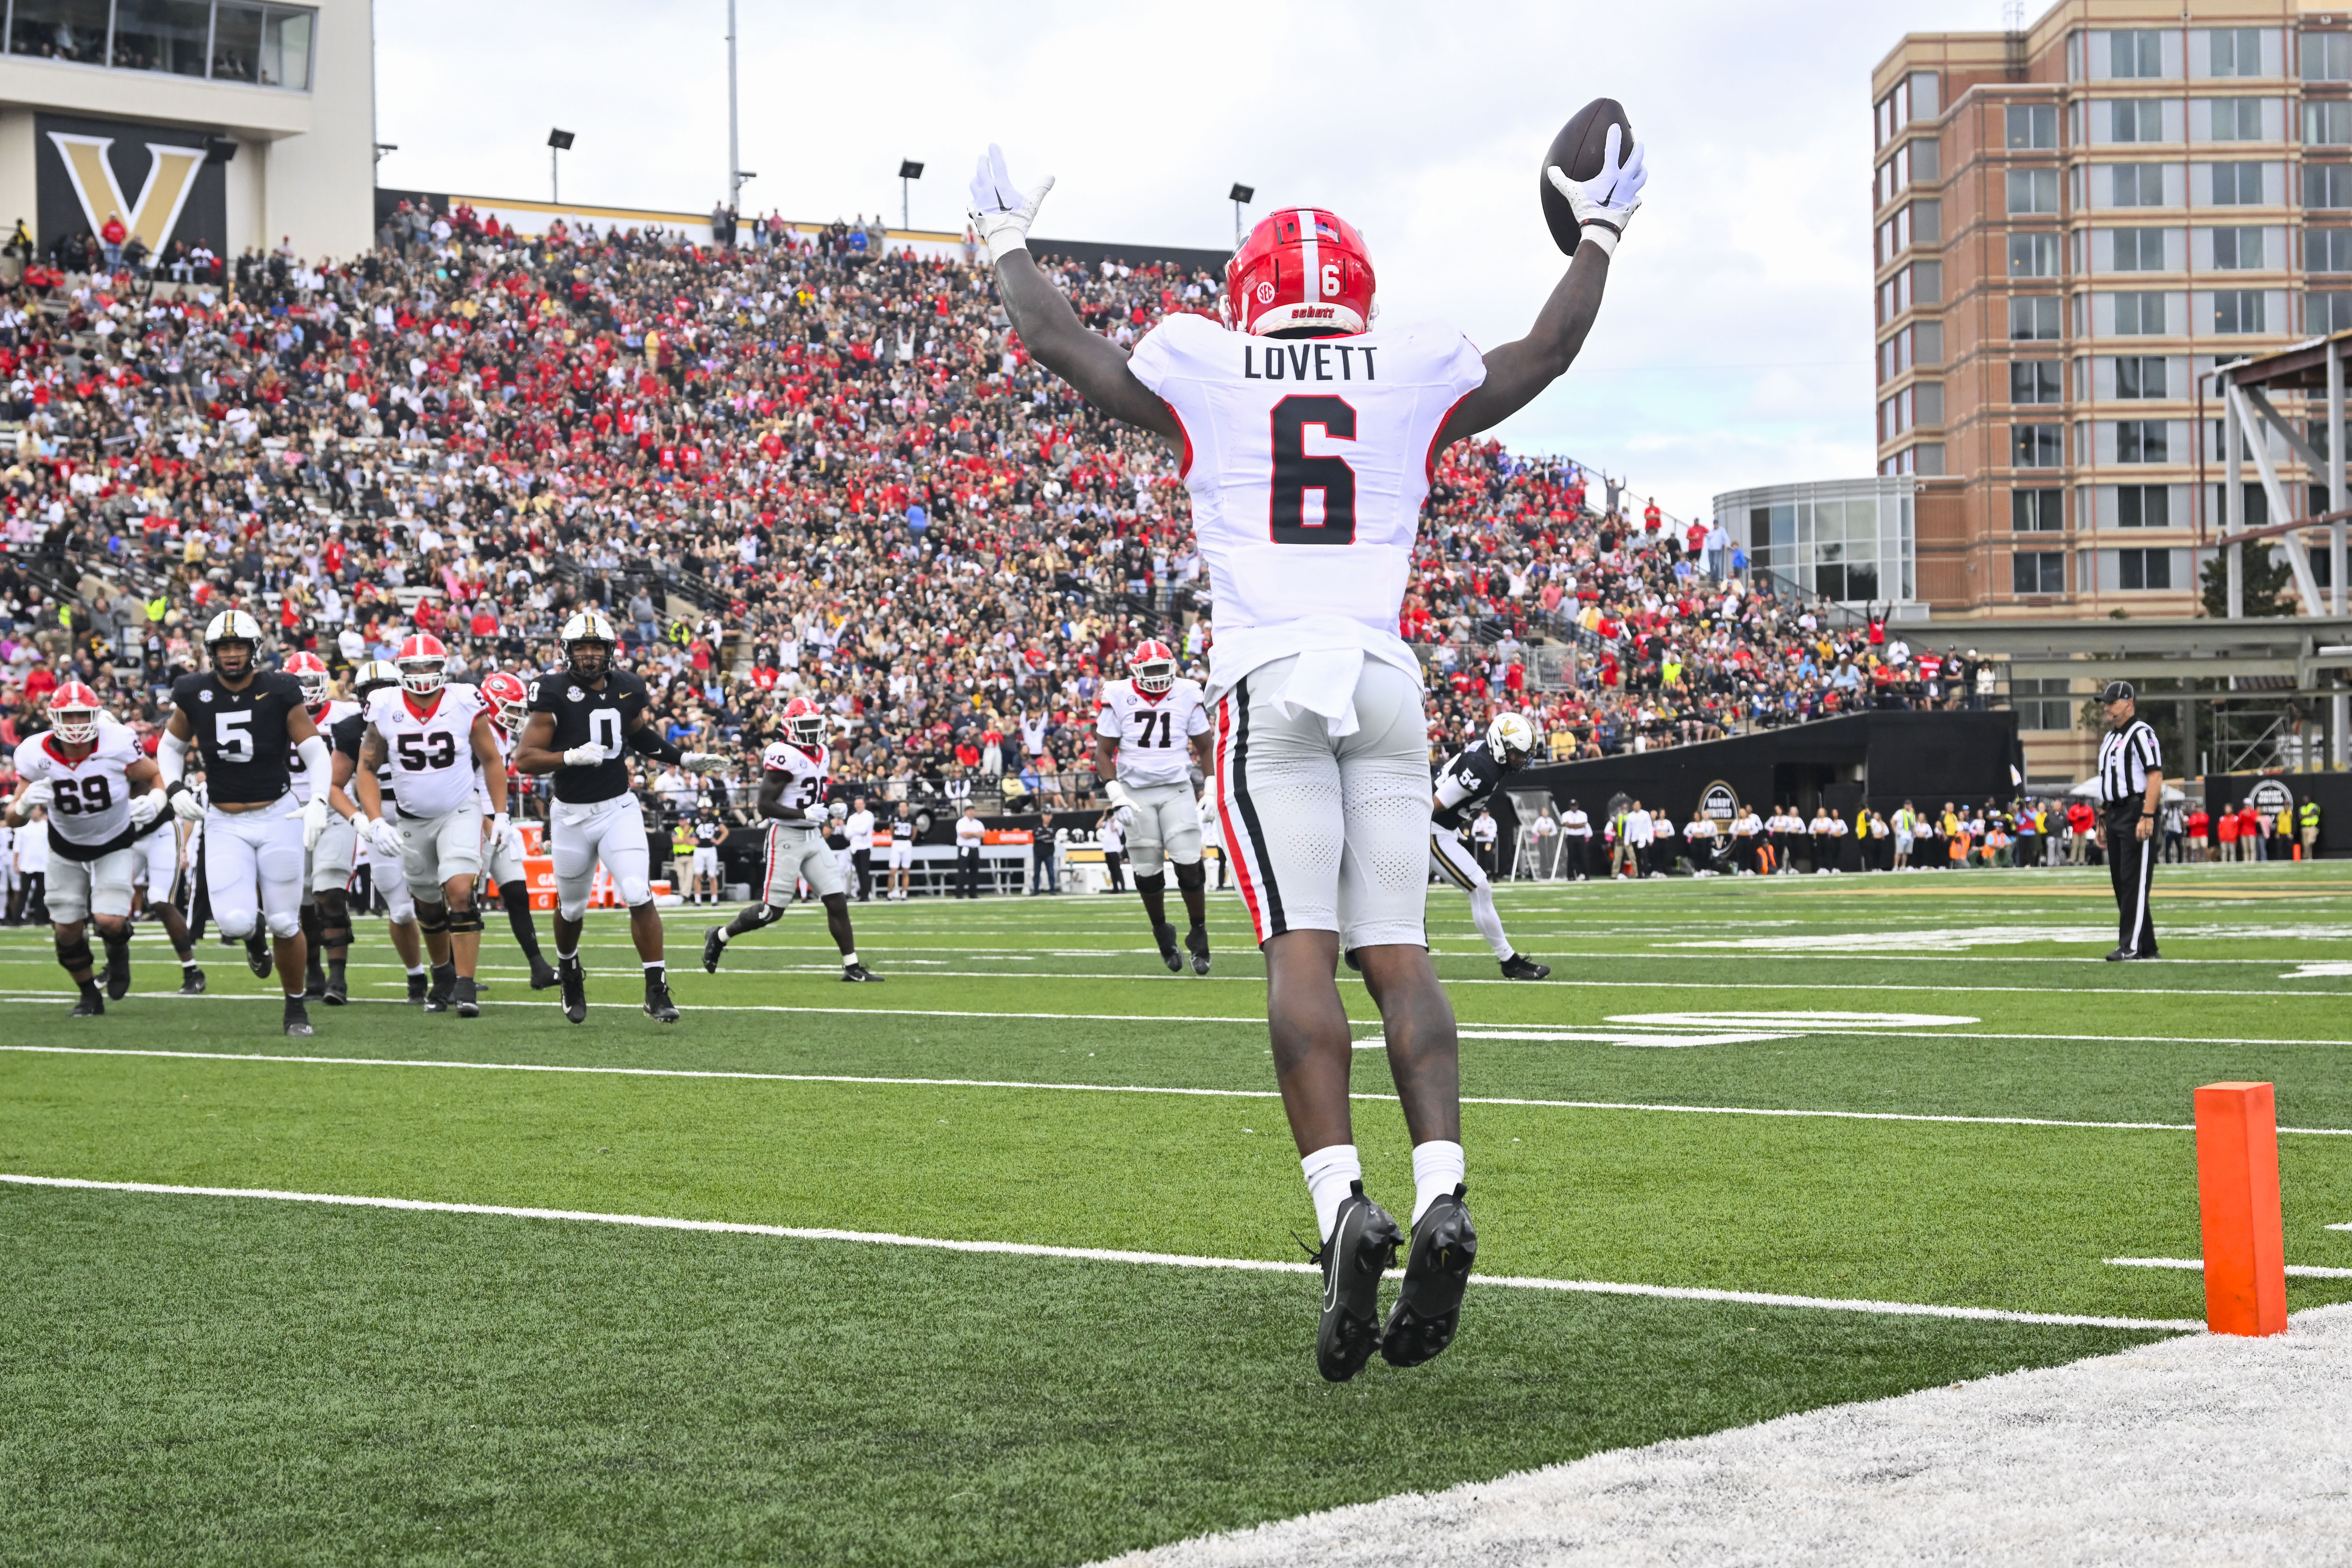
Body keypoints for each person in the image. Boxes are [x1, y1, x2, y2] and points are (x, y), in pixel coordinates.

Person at [972, 113, 1640, 1380]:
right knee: (1401, 953)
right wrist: (1599, 224)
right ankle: (1442, 1185)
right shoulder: (1408, 366)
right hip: (1386, 682)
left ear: (1249, 295)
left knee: (1299, 949)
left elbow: (1059, 344)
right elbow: (1546, 349)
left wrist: (1005, 234)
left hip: (1269, 677)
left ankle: (1341, 1206)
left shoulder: (1204, 364)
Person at [512, 611, 728, 1024]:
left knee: (636, 891)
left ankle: (656, 989)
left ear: (610, 652)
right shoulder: (551, 691)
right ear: (568, 651)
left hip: (618, 807)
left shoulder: (628, 686)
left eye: (597, 647)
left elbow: (638, 735)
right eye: (582, 648)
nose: (590, 655)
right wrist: (569, 757)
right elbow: (525, 758)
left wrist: (684, 758)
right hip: (571, 815)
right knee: (572, 908)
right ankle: (570, 968)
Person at [157, 610, 328, 1038]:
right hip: (224, 819)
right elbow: (170, 746)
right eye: (223, 648)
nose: (232, 655)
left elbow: (314, 750)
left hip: (278, 815)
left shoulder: (280, 688)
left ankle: (295, 1009)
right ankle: (254, 939)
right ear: (211, 653)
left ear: (255, 649)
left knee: (287, 922)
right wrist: (175, 788)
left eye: (239, 647)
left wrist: (320, 799)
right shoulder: (194, 691)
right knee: (233, 923)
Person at [348, 634, 509, 1018]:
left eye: (430, 666)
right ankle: (442, 976)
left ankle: (466, 986)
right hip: (411, 818)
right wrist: (374, 821)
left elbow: (491, 758)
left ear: (443, 667)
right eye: (414, 667)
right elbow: (367, 768)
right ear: (401, 671)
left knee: (458, 891)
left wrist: (500, 812)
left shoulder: (463, 699)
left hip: (459, 808)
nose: (423, 674)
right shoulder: (384, 705)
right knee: (427, 905)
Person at [6, 684, 170, 1013]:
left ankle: (118, 953)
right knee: (67, 929)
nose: (77, 721)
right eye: (69, 715)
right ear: (53, 717)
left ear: (98, 716)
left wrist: (156, 800)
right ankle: (89, 994)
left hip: (113, 839)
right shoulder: (33, 751)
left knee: (109, 920)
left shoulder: (118, 742)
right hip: (65, 845)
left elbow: (156, 776)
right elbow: (12, 818)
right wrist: (22, 808)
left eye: (83, 714)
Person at [704, 697, 880, 981]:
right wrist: (805, 812)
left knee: (837, 901)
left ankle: (852, 967)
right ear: (790, 727)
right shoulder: (782, 753)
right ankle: (720, 936)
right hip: (786, 835)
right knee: (770, 913)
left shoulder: (822, 752)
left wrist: (831, 806)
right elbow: (765, 805)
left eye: (814, 724)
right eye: (805, 725)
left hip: (812, 836)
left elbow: (810, 792)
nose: (812, 731)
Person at [1094, 639, 1213, 974]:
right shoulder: (1118, 695)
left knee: (1188, 861)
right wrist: (1116, 794)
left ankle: (1199, 932)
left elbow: (1205, 745)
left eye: (1164, 669)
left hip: (1176, 786)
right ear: (1136, 671)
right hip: (1135, 790)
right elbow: (1103, 752)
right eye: (1153, 670)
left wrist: (1211, 786)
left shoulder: (1188, 692)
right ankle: (1162, 930)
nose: (1159, 676)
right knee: (1146, 869)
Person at [321, 659, 432, 1003]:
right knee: (400, 910)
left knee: (437, 899)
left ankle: (453, 971)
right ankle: (416, 977)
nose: (380, 697)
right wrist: (361, 819)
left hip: (422, 816)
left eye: (386, 689)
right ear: (360, 695)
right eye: (372, 691)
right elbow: (334, 785)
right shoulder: (353, 729)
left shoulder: (423, 720)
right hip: (380, 816)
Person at [1429, 713, 1549, 980]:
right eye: (1518, 754)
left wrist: (1454, 821)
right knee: (1480, 887)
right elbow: (1434, 803)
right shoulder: (1483, 768)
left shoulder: (1485, 754)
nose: (1522, 760)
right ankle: (1510, 961)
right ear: (1501, 745)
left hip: (1441, 827)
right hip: (1430, 829)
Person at [476, 669, 558, 990]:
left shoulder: (503, 733)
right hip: (474, 819)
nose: (516, 716)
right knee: (466, 898)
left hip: (497, 819)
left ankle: (538, 966)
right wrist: (487, 819)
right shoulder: (477, 730)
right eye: (509, 708)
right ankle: (453, 973)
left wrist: (500, 817)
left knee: (516, 892)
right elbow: (465, 785)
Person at [283, 650, 358, 1000]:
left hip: (332, 809)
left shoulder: (346, 713)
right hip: (288, 811)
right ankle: (312, 968)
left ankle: (337, 977)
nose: (307, 690)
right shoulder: (273, 713)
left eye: (311, 682)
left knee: (329, 890)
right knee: (299, 898)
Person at [2091, 680, 2162, 961]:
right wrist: (2103, 818)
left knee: (2134, 881)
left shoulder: (2142, 733)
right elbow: (2110, 781)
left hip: (2136, 810)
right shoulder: (2111, 738)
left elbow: (2155, 775)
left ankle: (2130, 945)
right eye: (2106, 702)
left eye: (2113, 702)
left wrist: (2147, 814)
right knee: (2122, 882)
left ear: (2129, 703)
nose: (2107, 707)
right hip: (2116, 812)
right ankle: (2147, 946)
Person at [692, 810, 729, 905]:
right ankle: (698, 900)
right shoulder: (695, 818)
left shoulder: (714, 819)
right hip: (699, 850)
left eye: (706, 808)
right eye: (703, 808)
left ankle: (714, 900)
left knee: (712, 875)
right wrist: (690, 841)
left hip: (711, 849)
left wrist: (718, 842)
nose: (705, 810)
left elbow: (725, 831)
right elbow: (685, 832)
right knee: (698, 875)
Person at [845, 796, 876, 902]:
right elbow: (847, 834)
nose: (858, 806)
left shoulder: (869, 816)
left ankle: (866, 895)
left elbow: (864, 830)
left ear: (864, 805)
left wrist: (855, 831)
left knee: (864, 871)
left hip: (865, 847)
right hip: (854, 848)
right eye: (857, 804)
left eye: (860, 804)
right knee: (859, 872)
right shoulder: (852, 818)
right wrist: (857, 832)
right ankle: (862, 894)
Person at [954, 803, 985, 897]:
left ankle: (973, 893)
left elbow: (983, 835)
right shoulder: (961, 823)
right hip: (965, 849)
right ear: (966, 812)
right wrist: (976, 835)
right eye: (969, 810)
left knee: (975, 872)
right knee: (962, 872)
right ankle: (959, 893)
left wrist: (971, 834)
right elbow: (964, 835)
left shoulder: (978, 823)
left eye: (973, 810)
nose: (971, 812)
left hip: (975, 850)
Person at [887, 802, 916, 900]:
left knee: (906, 870)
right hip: (897, 843)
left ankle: (904, 893)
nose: (903, 809)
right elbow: (891, 830)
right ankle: (890, 894)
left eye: (904, 807)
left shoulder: (912, 818)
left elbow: (915, 831)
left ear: (908, 808)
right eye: (901, 807)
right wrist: (895, 839)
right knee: (893, 871)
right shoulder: (894, 817)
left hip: (907, 844)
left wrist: (910, 840)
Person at [1560, 798, 1591, 881]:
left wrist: (1573, 825)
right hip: (1571, 837)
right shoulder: (1565, 815)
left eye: (1575, 806)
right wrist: (1577, 826)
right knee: (1571, 856)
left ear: (1578, 806)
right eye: (1572, 806)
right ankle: (1570, 876)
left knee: (1583, 856)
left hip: (1581, 836)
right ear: (1570, 807)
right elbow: (1566, 824)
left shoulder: (1583, 814)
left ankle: (1586, 875)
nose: (1574, 808)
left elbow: (1584, 824)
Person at [1098, 807, 1127, 892]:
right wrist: (1104, 816)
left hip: (1114, 849)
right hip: (1107, 849)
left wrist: (1112, 821)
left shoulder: (1117, 822)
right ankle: (1115, 888)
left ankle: (1123, 887)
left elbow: (1114, 830)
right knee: (1111, 870)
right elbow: (1098, 826)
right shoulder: (1106, 823)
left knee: (1117, 869)